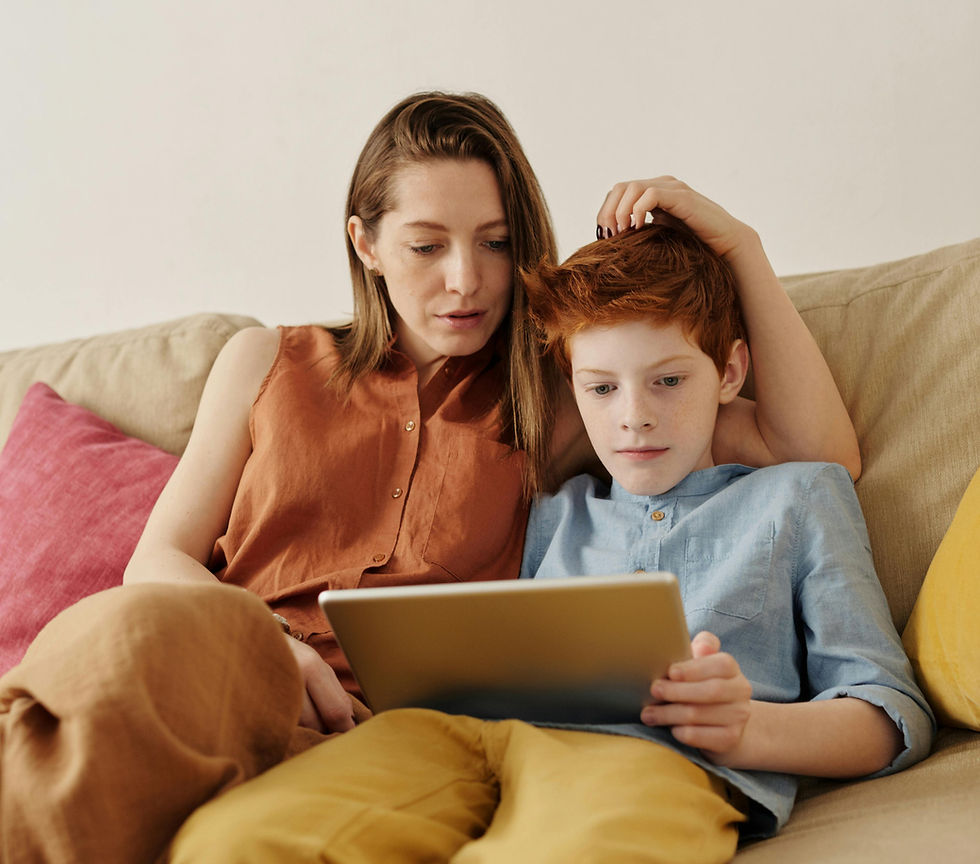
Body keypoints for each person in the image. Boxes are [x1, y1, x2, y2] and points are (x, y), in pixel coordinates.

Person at [0, 92, 859, 864]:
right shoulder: (266, 359)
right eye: (426, 245)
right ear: (365, 244)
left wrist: (739, 244)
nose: (466, 280)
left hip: (379, 732)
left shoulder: (561, 394)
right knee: (132, 638)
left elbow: (811, 449)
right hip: (230, 660)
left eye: (494, 244)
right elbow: (158, 560)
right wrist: (275, 643)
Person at [167, 219, 933, 864]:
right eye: (602, 388)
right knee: (234, 838)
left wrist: (750, 728)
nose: (633, 417)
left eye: (668, 381)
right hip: (464, 741)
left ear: (730, 372)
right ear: (573, 390)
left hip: (651, 761)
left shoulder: (799, 495)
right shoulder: (554, 509)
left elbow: (888, 710)